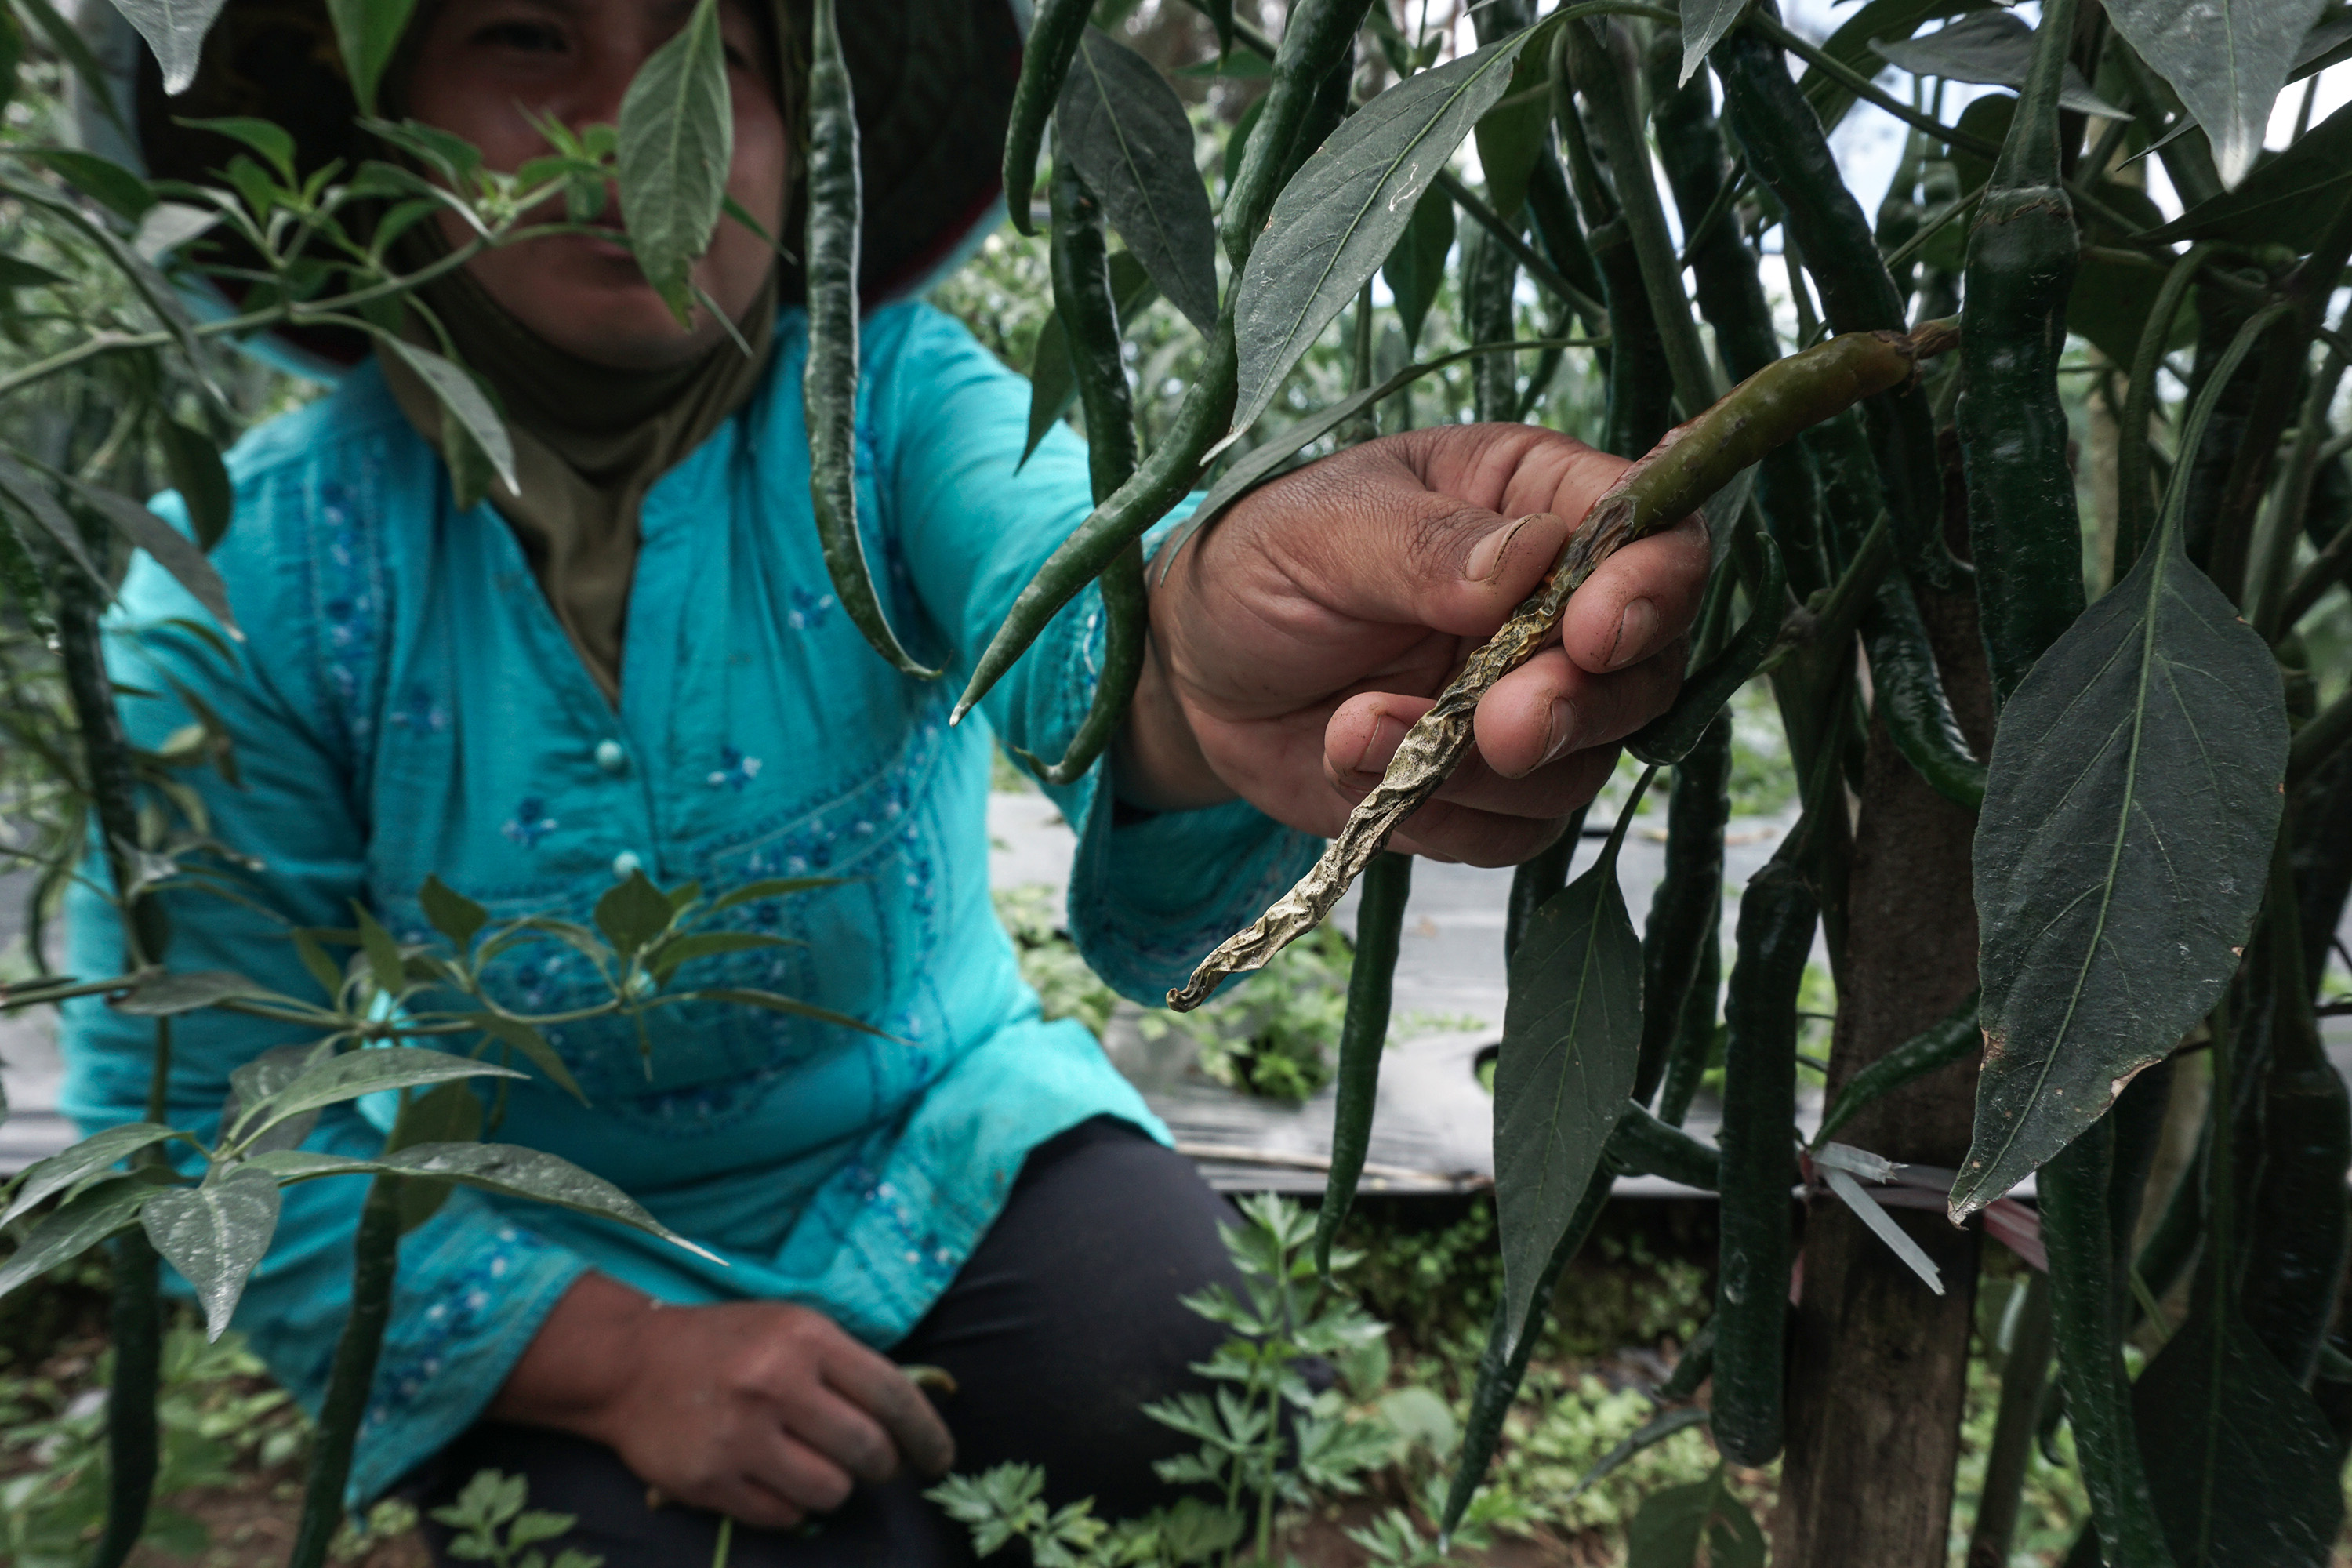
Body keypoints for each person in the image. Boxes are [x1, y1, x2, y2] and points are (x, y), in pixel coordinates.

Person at [58, 1, 1710, 1563]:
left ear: (803, 138)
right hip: (543, 1234)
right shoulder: (242, 579)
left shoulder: (890, 405)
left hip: (942, 1137)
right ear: (375, 125)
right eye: (526, 32)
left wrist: (1198, 647)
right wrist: (619, 1359)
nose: (646, 130)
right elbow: (197, 1113)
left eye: (721, 51)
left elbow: (1070, 589)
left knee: (1186, 1374)